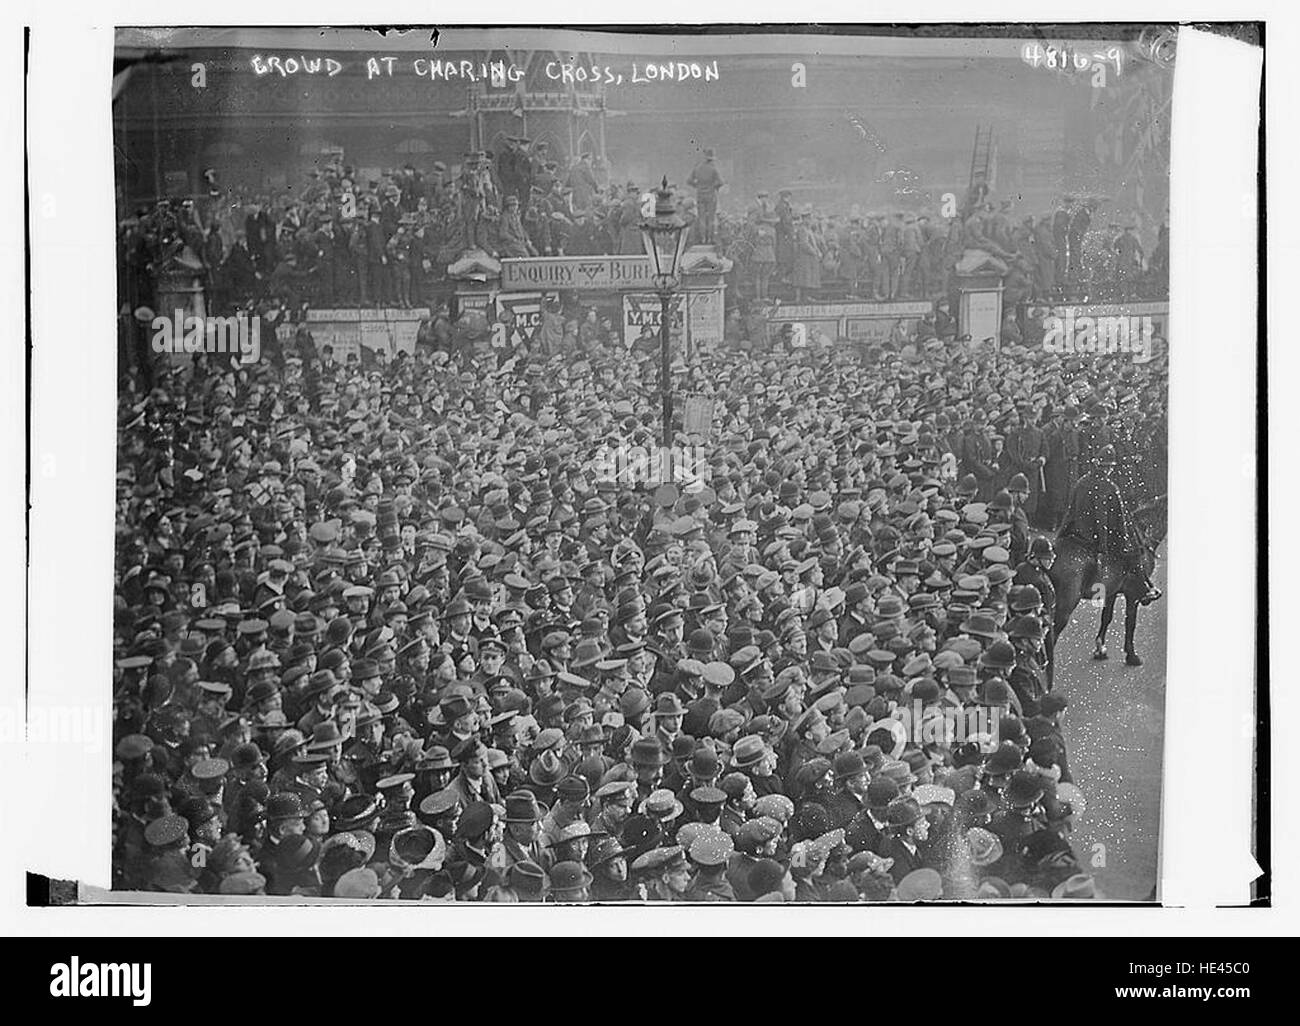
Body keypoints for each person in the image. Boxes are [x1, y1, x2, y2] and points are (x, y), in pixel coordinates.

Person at [1058, 446, 1160, 603]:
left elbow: (1070, 511)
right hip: (1097, 538)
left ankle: (1101, 598)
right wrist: (1126, 538)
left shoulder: (1081, 482)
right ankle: (1143, 589)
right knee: (1134, 553)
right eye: (1111, 467)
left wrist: (1061, 535)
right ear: (1109, 468)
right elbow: (1119, 521)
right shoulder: (1111, 488)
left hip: (1075, 533)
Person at [686, 148, 724, 246]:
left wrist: (697, 186)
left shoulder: (697, 168)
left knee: (702, 217)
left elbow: (689, 180)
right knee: (711, 218)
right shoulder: (713, 169)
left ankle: (702, 239)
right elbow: (721, 182)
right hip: (711, 195)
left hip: (700, 195)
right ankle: (710, 238)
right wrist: (713, 186)